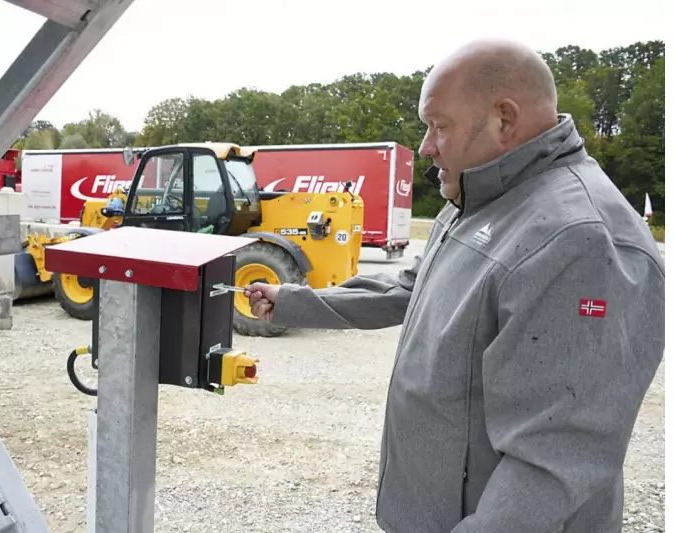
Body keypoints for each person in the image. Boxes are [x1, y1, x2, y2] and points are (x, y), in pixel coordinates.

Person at [244, 39, 665, 533]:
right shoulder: (478, 196)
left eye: (439, 127)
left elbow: (553, 463)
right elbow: (411, 287)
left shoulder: (580, 241)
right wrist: (294, 300)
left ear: (504, 120)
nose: (426, 146)